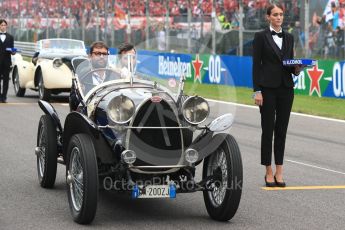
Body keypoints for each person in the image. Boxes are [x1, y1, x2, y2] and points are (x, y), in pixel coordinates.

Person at [252, 4, 301, 187]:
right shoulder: (260, 36)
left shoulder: (289, 37)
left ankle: (280, 170)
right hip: (267, 89)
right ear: (268, 17)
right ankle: (268, 171)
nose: (279, 17)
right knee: (268, 130)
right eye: (275, 14)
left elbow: (290, 64)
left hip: (286, 88)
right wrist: (257, 91)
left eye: (281, 14)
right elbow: (256, 65)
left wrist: (297, 69)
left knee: (281, 131)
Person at [0, 19, 15, 103]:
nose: (3, 26)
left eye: (4, 25)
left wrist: (13, 52)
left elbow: (12, 50)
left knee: (6, 80)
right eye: (1, 25)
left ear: (6, 26)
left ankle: (4, 97)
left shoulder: (10, 37)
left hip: (7, 62)